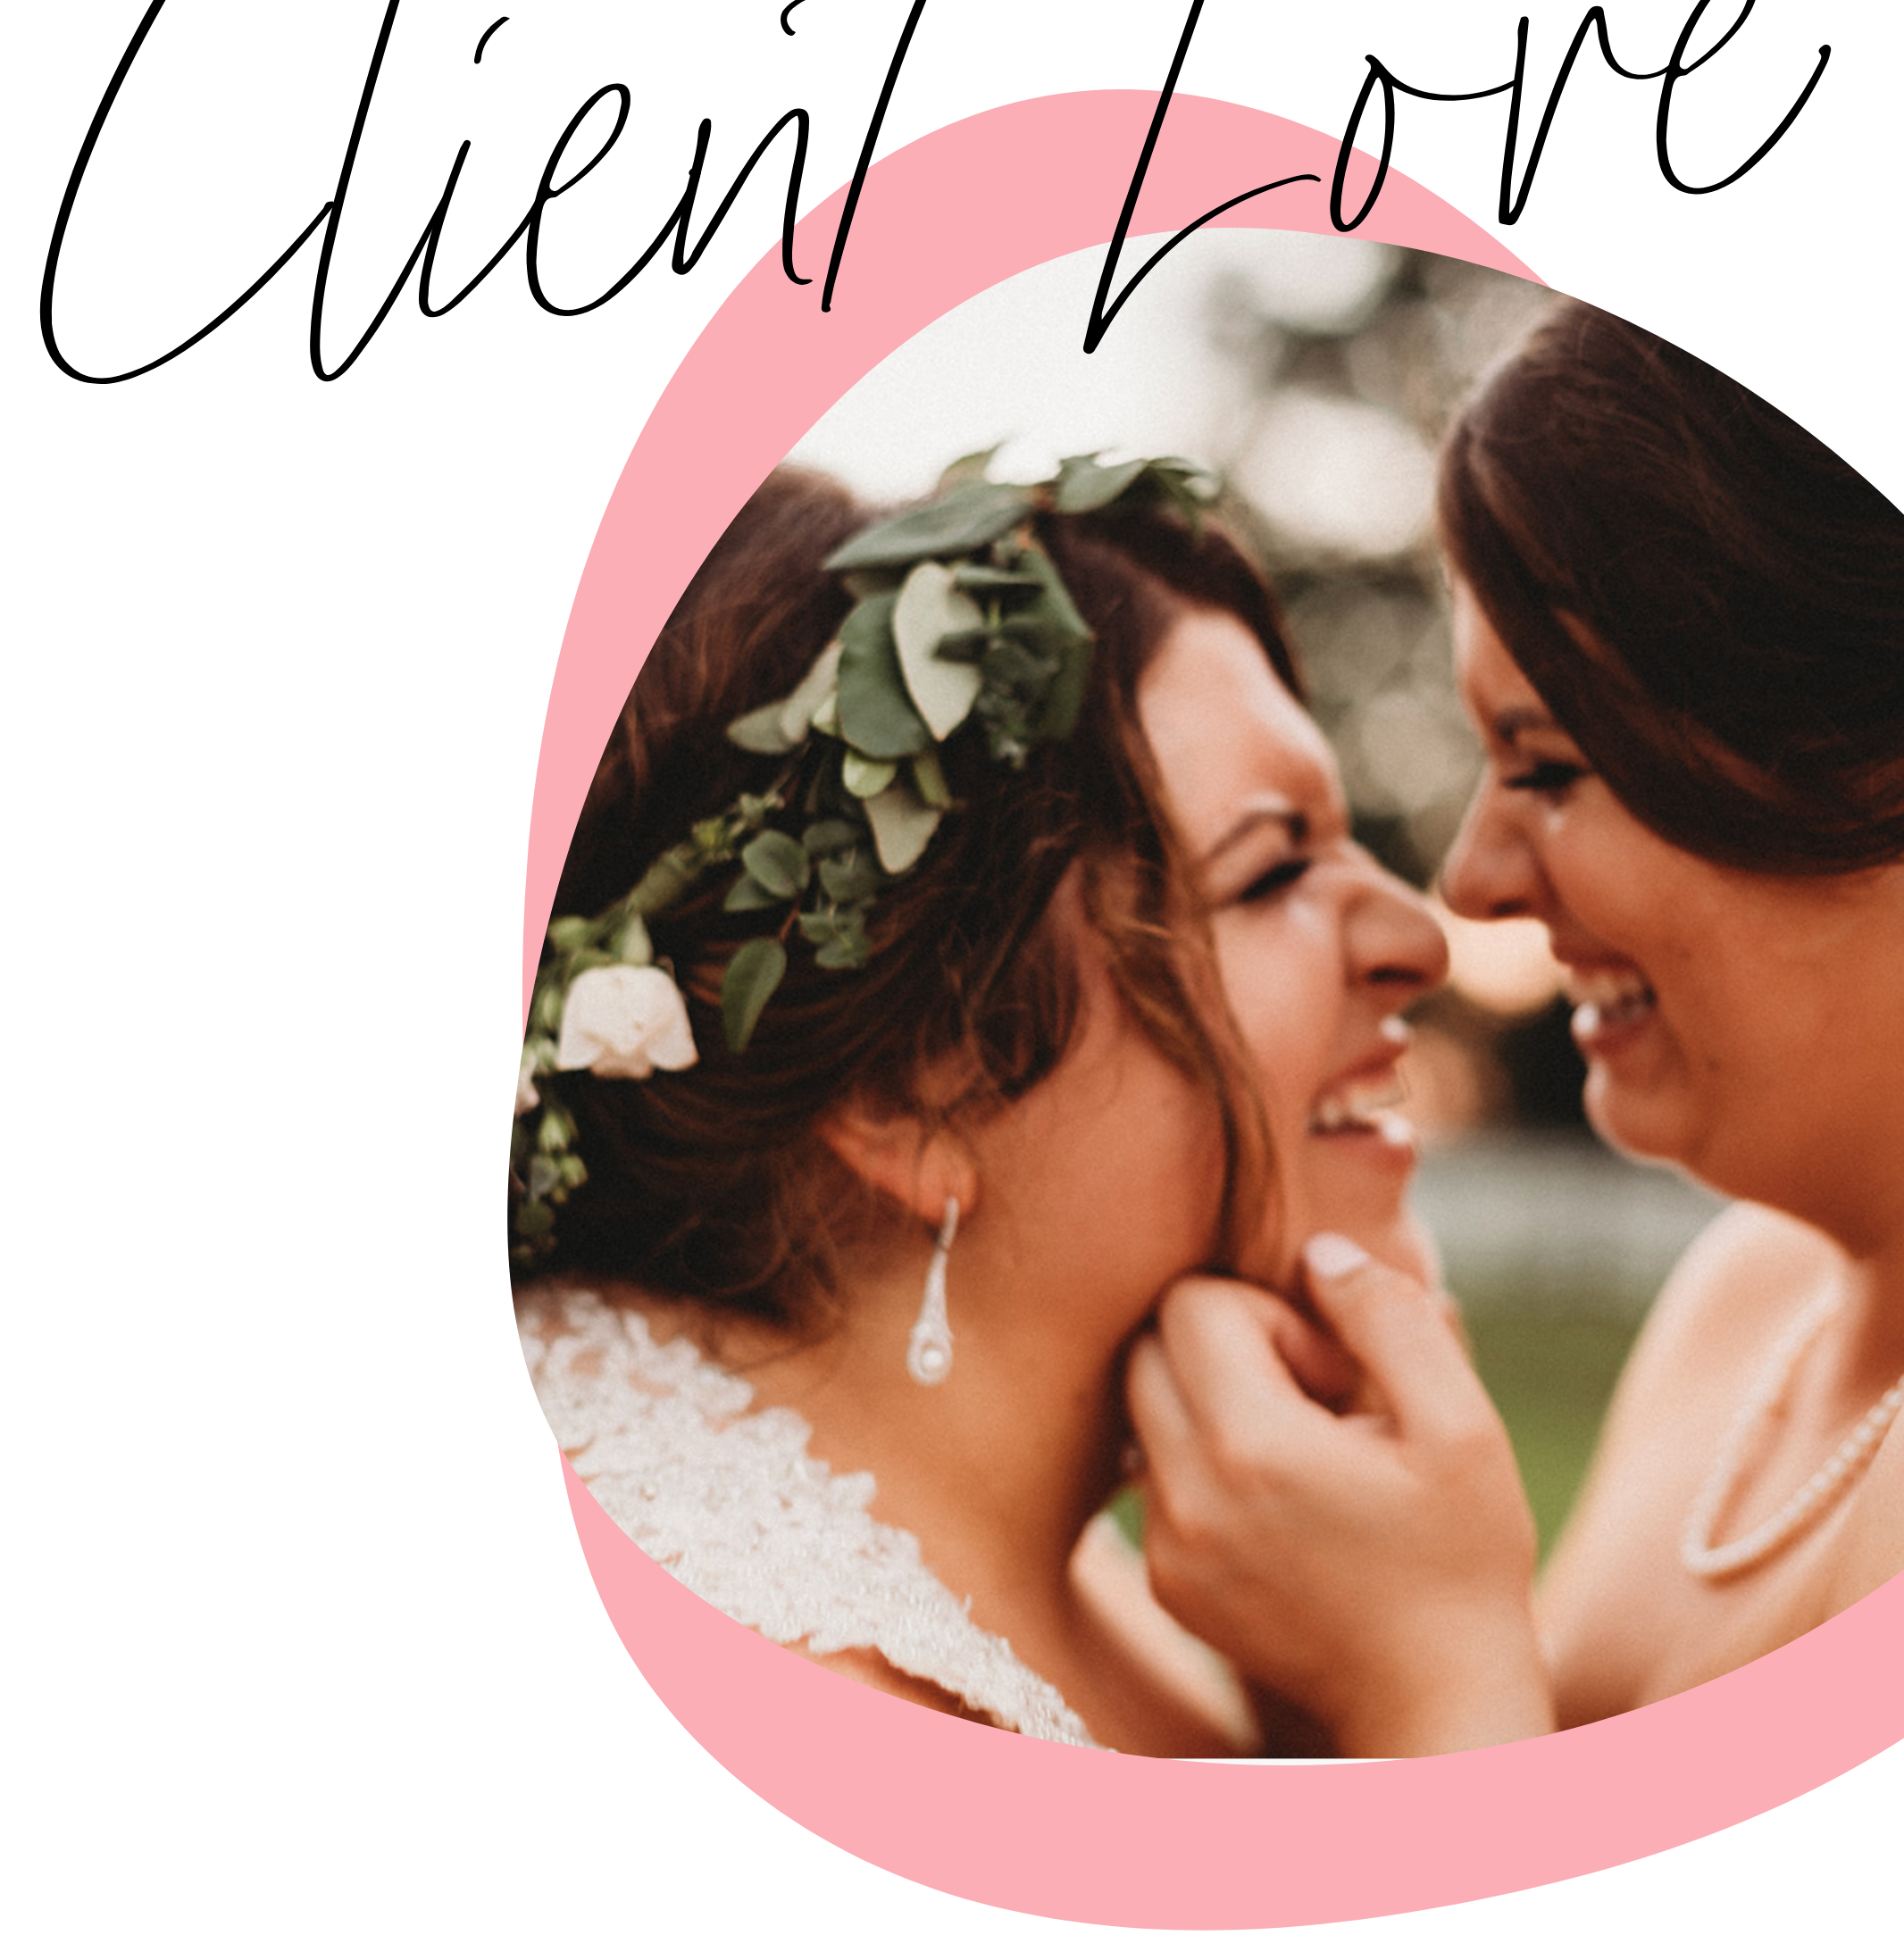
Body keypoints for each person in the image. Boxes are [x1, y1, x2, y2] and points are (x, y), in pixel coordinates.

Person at [1125, 298, 1904, 1754]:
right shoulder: (1748, 1304)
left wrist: (1429, 1669)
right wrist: (1318, 1626)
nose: (1467, 882)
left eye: (1550, 767)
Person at [512, 457, 1449, 1754]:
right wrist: (1438, 1691)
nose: (1423, 938)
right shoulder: (812, 1723)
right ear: (915, 1094)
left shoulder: (1029, 1550)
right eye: (1274, 868)